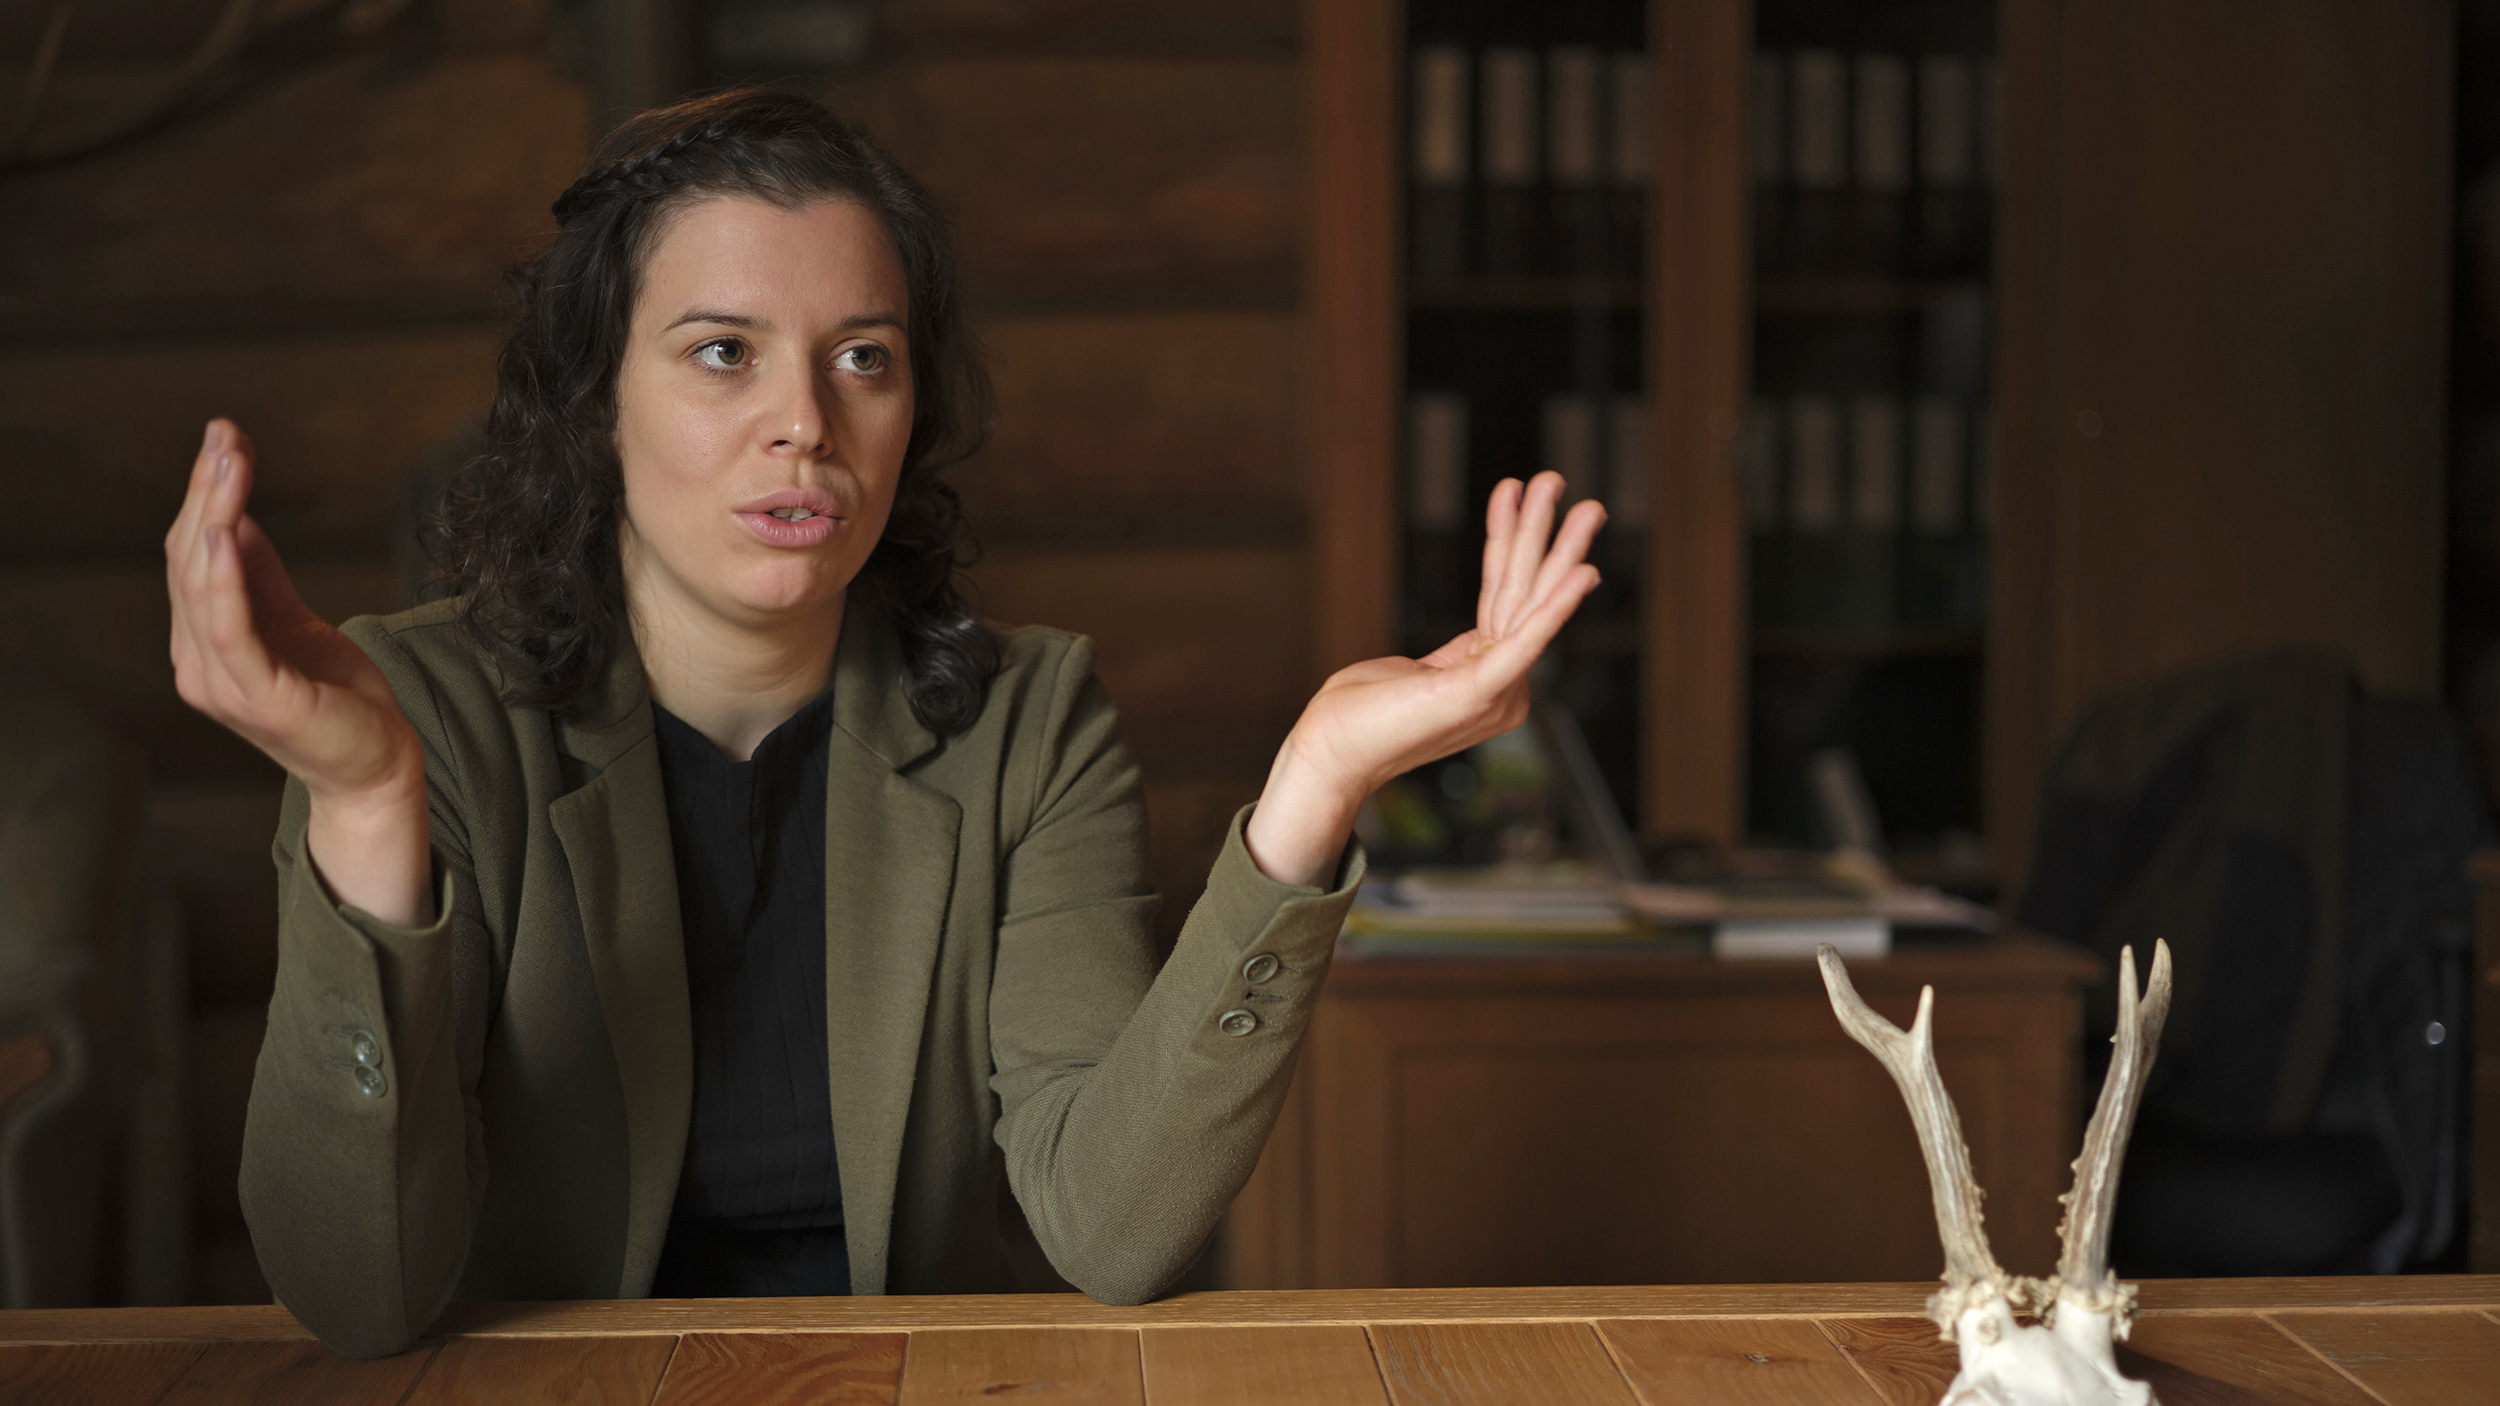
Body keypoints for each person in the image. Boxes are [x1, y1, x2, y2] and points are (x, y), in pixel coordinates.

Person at [163, 89, 1602, 1359]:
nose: (805, 421)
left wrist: (1317, 785)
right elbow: (357, 1297)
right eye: (724, 352)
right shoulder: (412, 715)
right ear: (596, 400)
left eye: (863, 356)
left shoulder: (1026, 720)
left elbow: (1111, 1227)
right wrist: (361, 808)